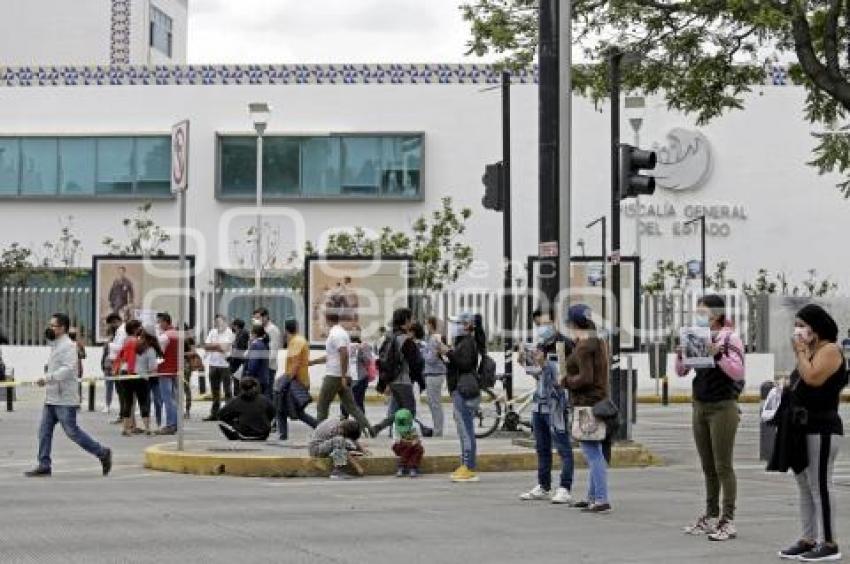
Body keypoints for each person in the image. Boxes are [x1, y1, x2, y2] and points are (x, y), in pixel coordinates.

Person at [775, 304, 847, 561]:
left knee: (821, 486)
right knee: (805, 486)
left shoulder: (829, 350)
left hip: (822, 428)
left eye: (802, 325)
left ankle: (829, 543)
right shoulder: (811, 351)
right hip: (801, 428)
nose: (798, 330)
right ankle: (808, 538)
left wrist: (802, 353)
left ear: (816, 328)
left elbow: (814, 378)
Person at [676, 295, 745, 541]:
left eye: (703, 312)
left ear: (716, 314)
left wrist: (718, 355)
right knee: (707, 466)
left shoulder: (730, 338)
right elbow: (682, 372)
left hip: (722, 407)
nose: (698, 316)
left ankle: (728, 520)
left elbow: (738, 372)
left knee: (722, 465)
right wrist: (681, 355)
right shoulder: (696, 335)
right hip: (700, 405)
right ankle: (711, 515)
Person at [25, 313, 112, 477]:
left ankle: (102, 452)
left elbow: (69, 369)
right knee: (44, 432)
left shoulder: (69, 346)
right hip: (51, 398)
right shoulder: (56, 344)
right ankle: (44, 464)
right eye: (50, 325)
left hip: (64, 399)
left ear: (63, 328)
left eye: (53, 326)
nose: (50, 328)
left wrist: (48, 378)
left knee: (73, 432)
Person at [562, 304, 612, 514]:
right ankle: (593, 496)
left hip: (587, 403)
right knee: (595, 450)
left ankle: (601, 499)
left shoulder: (584, 347)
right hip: (598, 401)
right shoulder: (597, 341)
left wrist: (566, 381)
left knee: (592, 453)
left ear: (573, 324)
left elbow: (585, 378)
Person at [518, 324, 574, 505]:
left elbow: (560, 381)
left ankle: (565, 488)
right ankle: (544, 485)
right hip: (539, 407)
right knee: (542, 449)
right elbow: (538, 377)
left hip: (555, 408)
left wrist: (544, 365)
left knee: (563, 448)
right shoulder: (541, 354)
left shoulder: (561, 353)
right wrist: (526, 362)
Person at [312, 311, 373, 435]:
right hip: (340, 375)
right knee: (352, 407)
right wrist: (313, 362)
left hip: (334, 375)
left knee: (322, 405)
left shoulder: (336, 334)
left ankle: (319, 433)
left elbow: (344, 353)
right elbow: (332, 356)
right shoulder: (342, 333)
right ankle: (369, 429)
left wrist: (343, 376)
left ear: (327, 320)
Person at [373, 308, 424, 436]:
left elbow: (382, 359)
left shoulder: (389, 336)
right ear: (406, 320)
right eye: (411, 319)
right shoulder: (405, 340)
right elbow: (417, 363)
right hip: (403, 380)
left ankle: (380, 429)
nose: (412, 321)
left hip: (392, 380)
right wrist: (419, 381)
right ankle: (405, 437)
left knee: (397, 410)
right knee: (410, 411)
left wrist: (385, 382)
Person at [445, 312, 481, 483]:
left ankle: (469, 467)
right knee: (463, 430)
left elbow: (464, 364)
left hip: (464, 390)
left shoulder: (467, 342)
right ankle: (465, 465)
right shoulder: (463, 342)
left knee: (466, 431)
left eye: (458, 323)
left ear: (467, 325)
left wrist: (449, 353)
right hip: (459, 389)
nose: (455, 326)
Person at [277, 319, 318, 441]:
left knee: (294, 412)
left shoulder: (296, 342)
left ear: (285, 330)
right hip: (298, 380)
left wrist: (286, 380)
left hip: (296, 382)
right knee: (282, 409)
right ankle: (282, 435)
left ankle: (319, 426)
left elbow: (295, 364)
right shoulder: (297, 341)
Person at [114, 320, 152, 436]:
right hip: (136, 373)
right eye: (139, 327)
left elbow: (121, 357)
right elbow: (131, 358)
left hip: (125, 373)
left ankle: (126, 428)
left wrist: (119, 371)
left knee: (128, 401)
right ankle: (147, 428)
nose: (141, 328)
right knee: (143, 400)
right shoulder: (135, 341)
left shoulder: (126, 341)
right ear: (135, 329)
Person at [218, 377, 275, 441]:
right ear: (255, 387)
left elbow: (221, 415)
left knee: (221, 422)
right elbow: (272, 413)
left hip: (245, 434)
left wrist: (234, 420)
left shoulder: (236, 400)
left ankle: (234, 437)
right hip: (263, 434)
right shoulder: (264, 399)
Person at [203, 314, 234, 422]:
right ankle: (214, 413)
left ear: (225, 321)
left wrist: (214, 346)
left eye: (220, 321)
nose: (218, 324)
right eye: (216, 322)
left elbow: (225, 348)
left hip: (225, 364)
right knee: (215, 391)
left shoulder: (229, 332)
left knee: (227, 391)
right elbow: (206, 346)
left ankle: (229, 414)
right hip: (213, 364)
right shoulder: (212, 331)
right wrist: (218, 346)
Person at [421, 317, 447, 437]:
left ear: (431, 325)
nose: (426, 327)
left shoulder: (433, 339)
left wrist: (423, 352)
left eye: (427, 324)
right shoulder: (435, 338)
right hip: (435, 374)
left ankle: (438, 430)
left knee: (435, 403)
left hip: (434, 374)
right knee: (433, 403)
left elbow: (430, 359)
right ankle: (437, 428)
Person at [155, 312, 181, 436]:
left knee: (167, 399)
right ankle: (175, 423)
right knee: (173, 399)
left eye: (159, 322)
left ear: (165, 322)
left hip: (165, 370)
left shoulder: (164, 337)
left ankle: (171, 424)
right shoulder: (177, 334)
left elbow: (159, 355)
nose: (158, 324)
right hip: (176, 370)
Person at [343, 326, 373, 418]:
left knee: (358, 403)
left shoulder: (364, 345)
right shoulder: (345, 345)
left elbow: (368, 361)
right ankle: (344, 425)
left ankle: (362, 425)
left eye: (356, 331)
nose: (354, 333)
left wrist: (361, 350)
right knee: (344, 403)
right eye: (352, 331)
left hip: (360, 378)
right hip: (347, 378)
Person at [252, 307, 281, 401]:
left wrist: (263, 365)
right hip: (260, 367)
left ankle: (269, 414)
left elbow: (273, 352)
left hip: (268, 367)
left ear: (266, 317)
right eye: (255, 318)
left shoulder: (272, 329)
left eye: (258, 318)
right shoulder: (259, 329)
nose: (256, 320)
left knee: (267, 394)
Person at [104, 313, 126, 418]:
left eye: (111, 324)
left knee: (122, 391)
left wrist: (109, 344)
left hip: (120, 363)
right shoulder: (119, 331)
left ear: (115, 321)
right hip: (117, 363)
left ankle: (123, 415)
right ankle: (122, 415)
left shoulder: (122, 331)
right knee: (119, 390)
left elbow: (120, 348)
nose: (111, 327)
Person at [392, 408, 424, 478]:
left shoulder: (415, 425)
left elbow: (418, 439)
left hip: (412, 445)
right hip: (401, 446)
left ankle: (406, 467)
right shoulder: (395, 425)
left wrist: (413, 442)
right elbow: (397, 441)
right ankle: (409, 467)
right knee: (407, 447)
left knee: (419, 449)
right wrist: (410, 443)